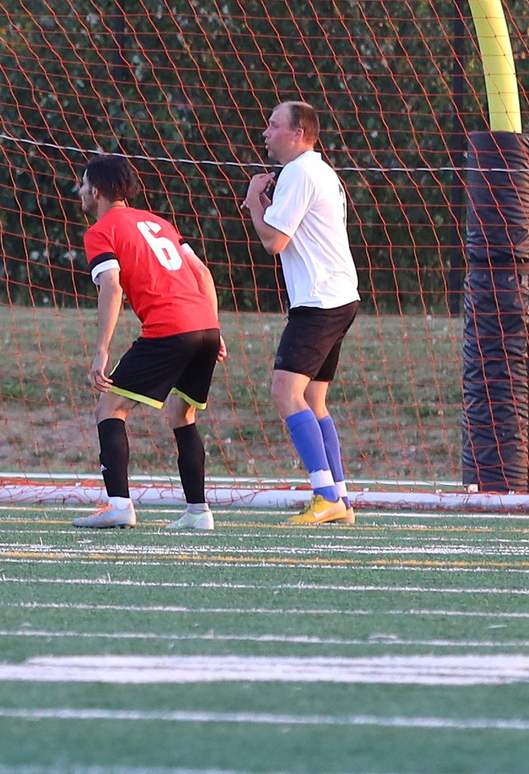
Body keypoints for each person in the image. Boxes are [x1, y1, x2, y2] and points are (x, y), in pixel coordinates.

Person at [74, 153, 224, 532]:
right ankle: (197, 512)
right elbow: (203, 273)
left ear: (96, 190)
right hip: (204, 325)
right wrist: (215, 328)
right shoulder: (159, 223)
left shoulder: (101, 230)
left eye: (82, 184)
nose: (79, 191)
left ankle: (119, 505)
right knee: (181, 413)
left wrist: (101, 350)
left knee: (108, 408)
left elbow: (112, 285)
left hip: (169, 328)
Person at [242, 99, 360, 526]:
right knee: (314, 399)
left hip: (319, 302)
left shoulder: (298, 171)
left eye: (273, 126)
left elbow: (275, 242)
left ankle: (324, 494)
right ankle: (341, 499)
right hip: (342, 297)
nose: (265, 133)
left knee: (285, 393)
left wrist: (255, 201)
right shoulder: (321, 171)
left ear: (298, 134)